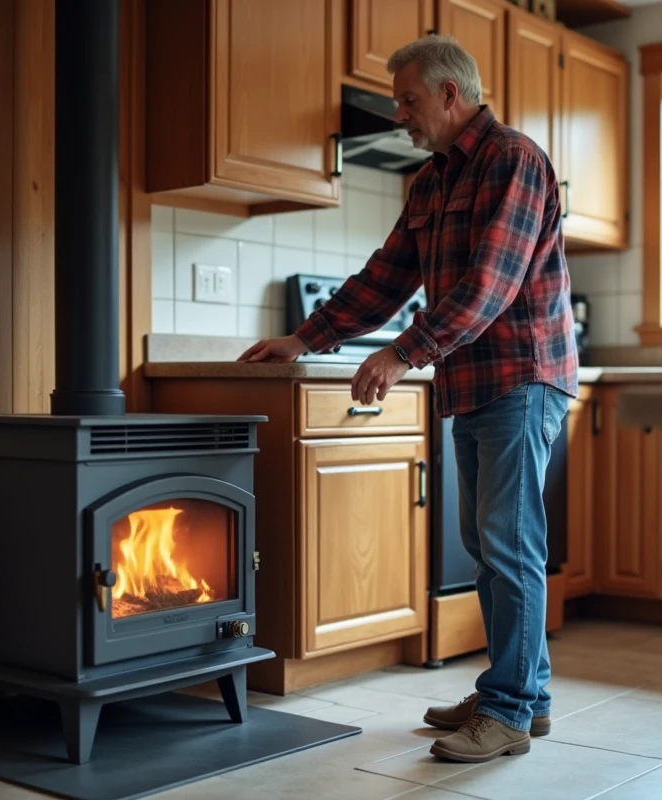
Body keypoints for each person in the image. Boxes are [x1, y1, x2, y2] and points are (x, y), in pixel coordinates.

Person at [238, 34, 578, 764]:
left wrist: (402, 353)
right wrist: (304, 339)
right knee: (489, 547)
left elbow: (489, 285)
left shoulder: (512, 161)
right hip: (472, 382)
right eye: (396, 102)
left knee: (509, 548)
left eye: (409, 100)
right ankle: (521, 695)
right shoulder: (431, 182)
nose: (400, 114)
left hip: (522, 375)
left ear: (452, 94)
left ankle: (510, 710)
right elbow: (383, 278)